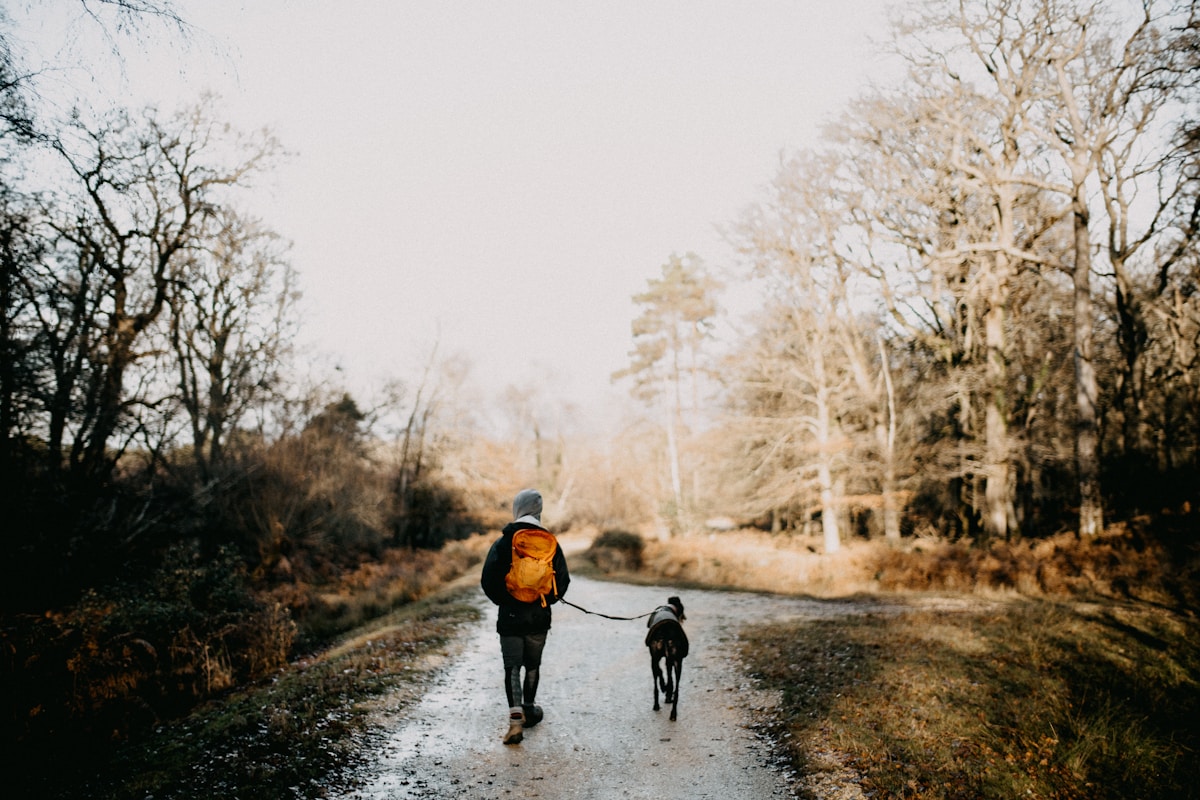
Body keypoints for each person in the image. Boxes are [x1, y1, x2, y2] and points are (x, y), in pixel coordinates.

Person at [480, 488, 570, 744]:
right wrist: (544, 600)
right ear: (538, 510)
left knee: (512, 667)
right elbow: (563, 580)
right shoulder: (549, 542)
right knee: (532, 665)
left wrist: (507, 601)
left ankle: (515, 723)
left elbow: (488, 580)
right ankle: (529, 710)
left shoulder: (505, 540)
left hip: (510, 615)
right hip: (538, 617)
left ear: (517, 508)